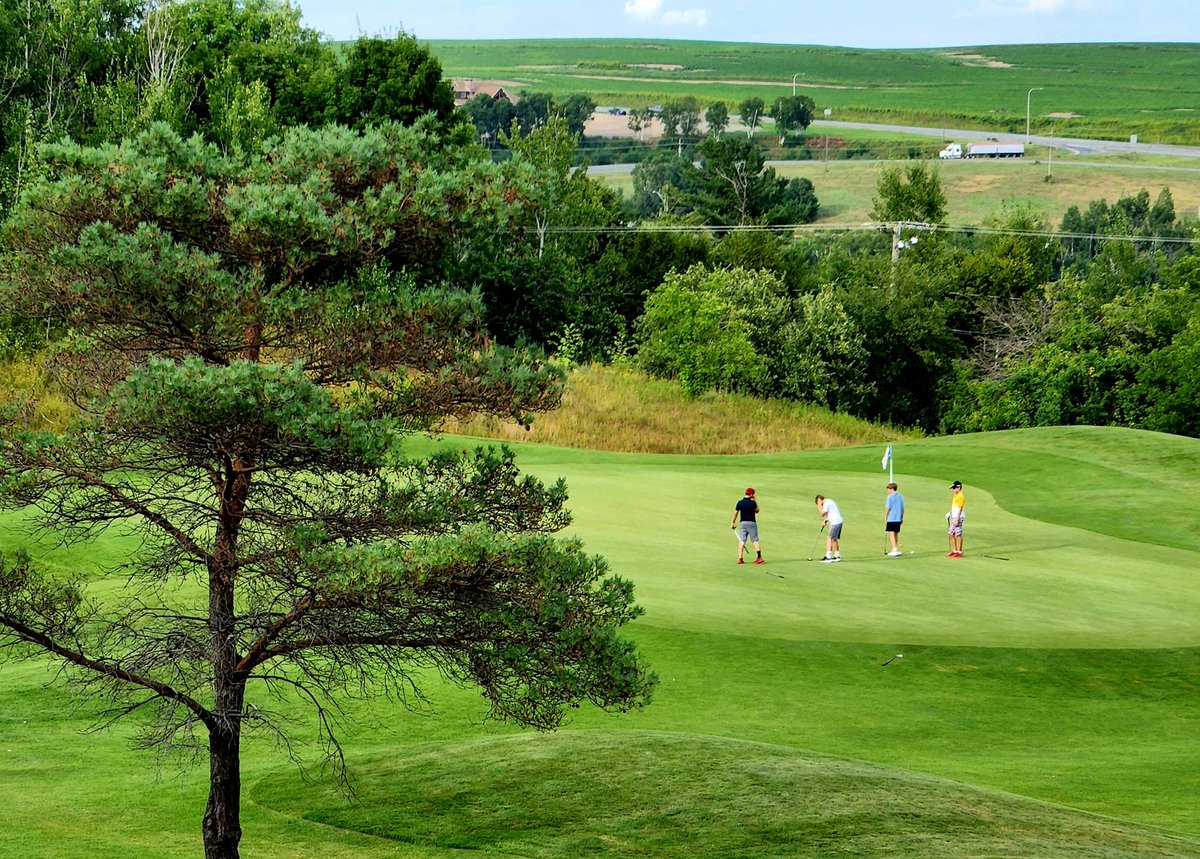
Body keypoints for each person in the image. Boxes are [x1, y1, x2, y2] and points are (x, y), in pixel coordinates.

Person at [731, 487, 764, 565]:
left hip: (742, 523)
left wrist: (733, 522)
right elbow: (757, 511)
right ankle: (759, 557)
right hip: (752, 523)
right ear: (751, 494)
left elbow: (735, 513)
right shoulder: (752, 503)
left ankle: (740, 558)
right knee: (754, 540)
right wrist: (755, 501)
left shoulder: (740, 502)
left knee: (742, 540)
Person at [814, 495, 843, 563]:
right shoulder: (830, 501)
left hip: (835, 523)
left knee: (829, 538)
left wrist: (819, 505)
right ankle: (837, 556)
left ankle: (828, 557)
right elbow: (832, 513)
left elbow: (822, 514)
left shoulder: (826, 503)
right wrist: (826, 520)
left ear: (820, 500)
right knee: (834, 539)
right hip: (839, 521)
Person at [884, 482, 904, 556]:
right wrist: (901, 517)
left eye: (888, 489)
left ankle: (894, 549)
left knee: (891, 534)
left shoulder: (889, 497)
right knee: (895, 533)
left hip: (891, 518)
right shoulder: (900, 496)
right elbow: (902, 509)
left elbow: (888, 508)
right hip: (898, 518)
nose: (888, 491)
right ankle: (895, 549)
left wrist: (885, 516)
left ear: (892, 489)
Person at [947, 480, 966, 557]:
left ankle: (959, 552)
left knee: (958, 534)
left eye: (954, 488)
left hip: (959, 517)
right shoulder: (956, 495)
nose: (953, 489)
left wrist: (957, 519)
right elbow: (954, 506)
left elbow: (960, 508)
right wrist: (950, 513)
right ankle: (954, 550)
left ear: (959, 488)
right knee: (951, 533)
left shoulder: (960, 496)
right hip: (954, 516)